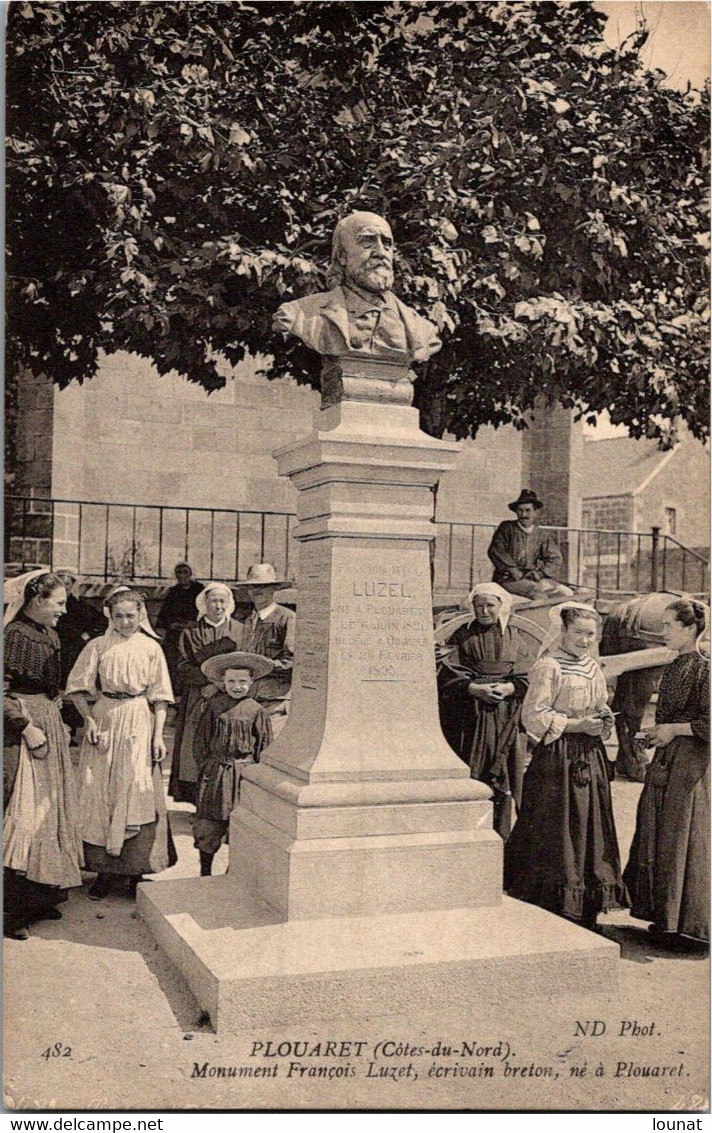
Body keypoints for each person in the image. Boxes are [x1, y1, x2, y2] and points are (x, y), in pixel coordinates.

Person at [504, 602, 627, 932]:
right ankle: (553, 905)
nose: (585, 640)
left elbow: (601, 705)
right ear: (562, 631)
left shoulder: (591, 667)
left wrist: (602, 722)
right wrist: (576, 726)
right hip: (557, 757)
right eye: (578, 633)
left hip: (591, 754)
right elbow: (533, 716)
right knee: (560, 824)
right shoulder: (548, 666)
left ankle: (585, 906)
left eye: (591, 634)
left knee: (590, 823)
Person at [66, 586, 176, 899]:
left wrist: (157, 736)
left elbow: (160, 697)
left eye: (131, 615)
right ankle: (103, 872)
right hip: (105, 720)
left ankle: (136, 871)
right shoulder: (98, 646)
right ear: (109, 616)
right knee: (101, 791)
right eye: (119, 616)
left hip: (139, 719)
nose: (125, 622)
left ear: (141, 614)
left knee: (136, 790)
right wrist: (88, 720)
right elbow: (76, 689)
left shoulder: (151, 648)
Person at [623, 599, 709, 947]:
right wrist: (656, 733)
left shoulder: (706, 668)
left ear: (690, 629)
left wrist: (673, 731)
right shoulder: (674, 665)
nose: (662, 632)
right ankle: (665, 919)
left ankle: (691, 927)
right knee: (658, 831)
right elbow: (669, 718)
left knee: (683, 837)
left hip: (692, 766)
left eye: (669, 626)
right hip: (667, 759)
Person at [3, 570, 83, 939]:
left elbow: (52, 687)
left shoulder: (49, 634)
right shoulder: (11, 635)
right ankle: (11, 912)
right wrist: (27, 727)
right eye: (59, 602)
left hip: (46, 721)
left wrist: (58, 718)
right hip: (18, 731)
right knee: (24, 810)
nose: (64, 611)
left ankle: (39, 895)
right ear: (36, 599)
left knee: (50, 811)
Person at [273, 211, 441, 362]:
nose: (381, 252)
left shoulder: (422, 330)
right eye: (368, 242)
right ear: (342, 257)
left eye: (387, 244)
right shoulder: (300, 315)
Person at [437, 582, 529, 839]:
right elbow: (447, 672)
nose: (485, 611)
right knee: (474, 770)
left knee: (507, 775)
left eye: (490, 605)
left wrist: (510, 688)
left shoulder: (514, 636)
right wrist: (473, 688)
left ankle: (502, 837)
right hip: (473, 716)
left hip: (507, 716)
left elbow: (528, 673)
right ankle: (468, 833)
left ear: (501, 607)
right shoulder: (463, 636)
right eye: (479, 606)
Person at [192, 651, 274, 877]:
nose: (236, 687)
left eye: (242, 682)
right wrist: (208, 769)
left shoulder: (256, 711)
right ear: (222, 682)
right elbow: (200, 744)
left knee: (242, 826)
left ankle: (234, 874)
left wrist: (254, 776)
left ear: (251, 682)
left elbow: (264, 748)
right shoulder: (214, 706)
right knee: (208, 825)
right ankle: (205, 872)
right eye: (231, 681)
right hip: (217, 773)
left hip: (245, 774)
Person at [168, 582, 243, 805]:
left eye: (222, 601)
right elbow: (182, 666)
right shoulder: (190, 632)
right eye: (213, 600)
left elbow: (243, 662)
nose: (218, 606)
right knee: (196, 748)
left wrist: (220, 685)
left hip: (230, 696)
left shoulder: (239, 630)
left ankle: (224, 803)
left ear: (229, 604)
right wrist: (206, 682)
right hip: (199, 697)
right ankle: (198, 804)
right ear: (204, 603)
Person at [235, 563, 295, 738]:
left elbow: (291, 661)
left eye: (262, 586)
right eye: (252, 587)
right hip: (249, 696)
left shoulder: (287, 618)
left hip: (274, 698)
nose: (256, 591)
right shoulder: (249, 621)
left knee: (269, 746)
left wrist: (260, 666)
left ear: (274, 589)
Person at [487, 489, 573, 600]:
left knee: (565, 592)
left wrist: (540, 573)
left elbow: (555, 558)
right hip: (508, 579)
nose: (524, 515)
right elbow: (496, 550)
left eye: (528, 510)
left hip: (532, 578)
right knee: (536, 592)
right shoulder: (506, 527)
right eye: (520, 510)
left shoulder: (541, 534)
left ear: (535, 513)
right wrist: (512, 569)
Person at [53, 570, 106, 743]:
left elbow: (100, 621)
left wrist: (87, 634)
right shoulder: (50, 605)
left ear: (71, 586)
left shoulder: (78, 605)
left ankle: (72, 729)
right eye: (61, 584)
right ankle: (56, 727)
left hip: (73, 651)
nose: (64, 588)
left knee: (73, 687)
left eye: (67, 584)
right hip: (55, 650)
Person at [155, 563, 203, 696]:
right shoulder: (173, 592)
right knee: (170, 657)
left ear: (190, 573)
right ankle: (172, 690)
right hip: (175, 632)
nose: (182, 575)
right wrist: (171, 625)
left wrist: (194, 624)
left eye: (185, 572)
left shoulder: (199, 591)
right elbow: (164, 615)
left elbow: (204, 612)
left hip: (194, 632)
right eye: (179, 572)